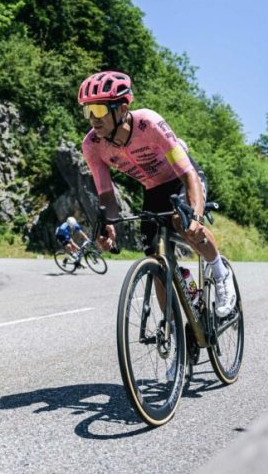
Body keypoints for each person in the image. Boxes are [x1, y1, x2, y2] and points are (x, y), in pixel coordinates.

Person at [78, 70, 236, 317]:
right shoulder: (92, 146)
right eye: (87, 111)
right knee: (155, 257)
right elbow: (106, 194)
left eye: (98, 110)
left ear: (121, 109)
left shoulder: (148, 124)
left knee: (182, 222)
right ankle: (173, 331)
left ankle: (219, 272)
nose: (92, 119)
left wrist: (194, 215)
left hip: (182, 179)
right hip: (153, 190)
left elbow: (187, 174)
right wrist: (108, 225)